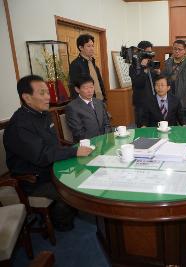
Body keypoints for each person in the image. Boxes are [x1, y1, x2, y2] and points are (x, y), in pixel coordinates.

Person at [3, 75, 92, 231]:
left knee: (87, 172)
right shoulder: (19, 126)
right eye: (42, 93)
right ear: (27, 98)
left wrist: (71, 152)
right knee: (72, 191)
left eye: (47, 92)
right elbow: (42, 155)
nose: (48, 97)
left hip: (53, 166)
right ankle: (63, 225)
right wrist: (73, 152)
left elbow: (54, 144)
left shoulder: (43, 114)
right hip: (34, 179)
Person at [65, 75, 112, 143]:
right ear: (77, 89)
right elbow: (79, 133)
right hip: (87, 145)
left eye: (91, 87)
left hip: (104, 141)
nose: (89, 91)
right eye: (85, 88)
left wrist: (105, 139)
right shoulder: (72, 107)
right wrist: (97, 142)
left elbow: (107, 124)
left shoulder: (99, 102)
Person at [162, 40, 186, 126]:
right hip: (171, 100)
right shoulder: (168, 62)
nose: (177, 51)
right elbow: (164, 78)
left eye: (179, 49)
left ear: (184, 50)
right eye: (175, 49)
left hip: (185, 100)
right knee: (172, 128)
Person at [129, 40, 160, 127]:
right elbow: (138, 83)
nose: (149, 54)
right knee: (142, 129)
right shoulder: (134, 66)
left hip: (153, 102)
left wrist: (158, 74)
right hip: (141, 104)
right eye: (147, 52)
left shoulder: (151, 65)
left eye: (150, 52)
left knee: (154, 127)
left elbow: (156, 83)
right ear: (141, 52)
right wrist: (143, 68)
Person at [69, 34, 106, 102]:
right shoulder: (75, 64)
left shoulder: (93, 63)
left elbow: (100, 83)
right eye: (88, 46)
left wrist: (105, 98)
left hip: (100, 101)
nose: (92, 48)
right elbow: (74, 88)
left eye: (92, 46)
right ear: (81, 47)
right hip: (87, 104)